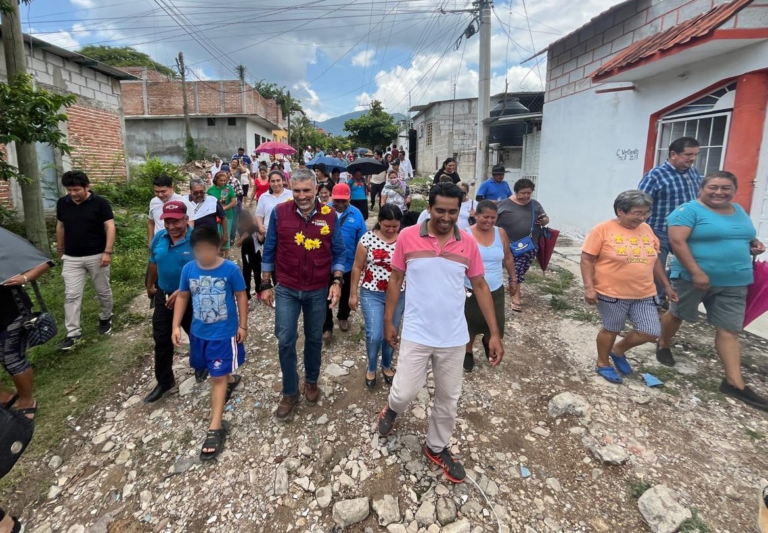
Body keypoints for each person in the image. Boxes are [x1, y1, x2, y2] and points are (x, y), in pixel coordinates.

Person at [376, 183, 504, 484]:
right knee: (405, 391)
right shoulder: (408, 237)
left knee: (449, 398)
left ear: (460, 211)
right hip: (417, 333)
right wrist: (389, 320)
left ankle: (436, 447)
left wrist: (494, 333)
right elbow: (395, 278)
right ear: (429, 208)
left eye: (452, 211)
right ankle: (392, 409)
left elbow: (481, 286)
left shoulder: (468, 243)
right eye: (440, 210)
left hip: (454, 337)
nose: (446, 217)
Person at [657, 171, 768, 409]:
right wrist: (696, 272)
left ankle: (734, 383)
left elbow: (742, 236)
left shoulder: (738, 211)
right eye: (713, 187)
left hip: (735, 279)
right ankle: (663, 343)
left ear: (734, 190)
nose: (719, 192)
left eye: (726, 188)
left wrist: (753, 244)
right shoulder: (687, 211)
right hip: (692, 278)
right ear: (702, 189)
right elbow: (677, 242)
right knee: (678, 314)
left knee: (730, 330)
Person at [260, 169, 346, 420]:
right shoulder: (280, 212)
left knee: (314, 338)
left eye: (307, 190)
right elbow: (270, 248)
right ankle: (289, 391)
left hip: (318, 288)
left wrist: (337, 280)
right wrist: (265, 283)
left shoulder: (330, 215)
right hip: (286, 287)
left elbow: (339, 252)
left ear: (316, 188)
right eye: (296, 191)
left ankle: (311, 380)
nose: (302, 196)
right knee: (285, 338)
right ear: (290, 189)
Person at [580, 191, 678, 384]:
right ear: (620, 211)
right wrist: (589, 287)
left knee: (650, 331)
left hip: (644, 292)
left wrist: (666, 286)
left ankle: (618, 350)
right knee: (611, 328)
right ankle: (602, 363)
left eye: (645, 213)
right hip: (611, 293)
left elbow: (655, 260)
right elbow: (586, 259)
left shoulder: (647, 229)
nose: (641, 218)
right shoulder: (602, 230)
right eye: (637, 213)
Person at [172, 225, 247, 461]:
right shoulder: (188, 269)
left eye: (207, 250)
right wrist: (176, 325)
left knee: (216, 377)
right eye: (198, 250)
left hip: (223, 334)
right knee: (206, 367)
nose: (203, 255)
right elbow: (183, 295)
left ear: (218, 247)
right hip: (198, 333)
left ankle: (215, 427)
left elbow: (241, 295)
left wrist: (242, 325)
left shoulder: (230, 269)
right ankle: (230, 378)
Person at [145, 201, 206, 403]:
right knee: (161, 336)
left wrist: (183, 289)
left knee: (196, 332)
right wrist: (150, 284)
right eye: (168, 222)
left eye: (176, 222)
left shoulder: (197, 239)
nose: (172, 227)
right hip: (164, 295)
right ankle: (164, 380)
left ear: (186, 219)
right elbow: (154, 262)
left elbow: (207, 269)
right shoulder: (159, 238)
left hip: (191, 295)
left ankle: (201, 365)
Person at [638, 137, 702, 304]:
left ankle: (670, 293)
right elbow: (641, 201)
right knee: (655, 266)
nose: (692, 158)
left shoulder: (693, 173)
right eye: (688, 154)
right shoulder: (655, 175)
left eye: (695, 154)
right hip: (660, 230)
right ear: (673, 154)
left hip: (686, 231)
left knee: (690, 262)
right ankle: (654, 302)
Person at [56, 170, 115, 351]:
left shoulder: (100, 203)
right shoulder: (63, 204)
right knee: (71, 295)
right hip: (72, 257)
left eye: (76, 190)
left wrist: (107, 252)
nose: (73, 194)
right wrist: (60, 249)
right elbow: (60, 226)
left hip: (96, 255)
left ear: (86, 187)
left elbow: (110, 226)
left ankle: (106, 316)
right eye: (69, 190)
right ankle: (73, 333)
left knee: (102, 290)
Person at [349, 205, 405, 388]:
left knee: (391, 333)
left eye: (395, 226)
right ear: (379, 221)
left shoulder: (405, 240)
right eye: (387, 226)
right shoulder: (367, 239)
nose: (390, 230)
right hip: (371, 293)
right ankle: (371, 367)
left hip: (398, 294)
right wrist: (353, 294)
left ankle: (387, 364)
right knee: (374, 334)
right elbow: (357, 267)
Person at [463, 201, 517, 372]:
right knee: (469, 323)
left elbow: (508, 257)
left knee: (494, 323)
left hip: (495, 289)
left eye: (493, 218)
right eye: (485, 217)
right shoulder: (465, 234)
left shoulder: (500, 233)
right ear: (476, 216)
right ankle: (468, 351)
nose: (489, 221)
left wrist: (513, 279)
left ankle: (489, 342)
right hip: (469, 289)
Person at [1, 259, 53, 419]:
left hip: (10, 314)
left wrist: (24, 278)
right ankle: (6, 396)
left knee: (12, 359)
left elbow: (45, 262)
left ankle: (27, 401)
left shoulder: (5, 248)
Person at [496, 178, 548, 312]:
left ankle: (515, 288)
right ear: (516, 192)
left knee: (521, 270)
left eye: (528, 193)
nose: (525, 196)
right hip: (510, 245)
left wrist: (543, 220)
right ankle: (516, 298)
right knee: (516, 271)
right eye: (522, 193)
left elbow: (546, 218)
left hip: (530, 244)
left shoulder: (535, 205)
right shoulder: (504, 204)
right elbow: (494, 220)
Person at [323, 183, 367, 340]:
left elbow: (363, 239)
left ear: (349, 199)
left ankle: (343, 316)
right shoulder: (323, 211)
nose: (340, 204)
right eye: (337, 201)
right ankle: (326, 326)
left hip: (349, 264)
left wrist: (363, 260)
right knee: (324, 295)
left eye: (344, 201)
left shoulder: (357, 214)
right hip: (326, 263)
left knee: (347, 291)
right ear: (332, 198)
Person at [148, 175, 184, 246]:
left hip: (177, 244)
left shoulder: (183, 202)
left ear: (171, 188)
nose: (160, 195)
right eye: (157, 192)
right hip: (158, 244)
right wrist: (150, 242)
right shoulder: (153, 202)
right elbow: (151, 223)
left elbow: (190, 224)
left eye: (163, 191)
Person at [235, 210, 261, 306]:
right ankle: (247, 295)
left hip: (256, 253)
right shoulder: (240, 229)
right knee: (246, 275)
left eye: (247, 222)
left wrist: (261, 235)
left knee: (258, 273)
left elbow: (261, 240)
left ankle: (259, 291)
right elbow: (237, 244)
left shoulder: (254, 227)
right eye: (243, 222)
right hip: (246, 255)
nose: (246, 224)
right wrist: (242, 238)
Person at [208, 171, 237, 255]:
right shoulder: (210, 190)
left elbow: (233, 201)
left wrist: (223, 208)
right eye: (221, 180)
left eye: (224, 180)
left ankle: (227, 255)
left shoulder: (229, 188)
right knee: (217, 233)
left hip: (228, 215)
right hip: (215, 216)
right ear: (216, 180)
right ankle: (218, 252)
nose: (223, 182)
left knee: (226, 233)